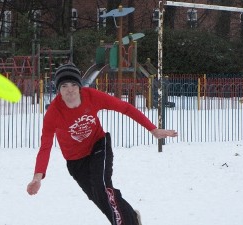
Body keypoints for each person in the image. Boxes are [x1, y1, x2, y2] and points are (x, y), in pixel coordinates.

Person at [27, 63, 178, 225]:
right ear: (58, 89)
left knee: (103, 187)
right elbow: (45, 146)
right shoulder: (53, 113)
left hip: (98, 146)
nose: (69, 90)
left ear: (79, 86)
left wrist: (153, 129)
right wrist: (37, 176)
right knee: (98, 197)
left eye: (73, 85)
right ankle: (130, 217)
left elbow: (125, 108)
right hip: (76, 161)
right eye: (64, 86)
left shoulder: (92, 96)